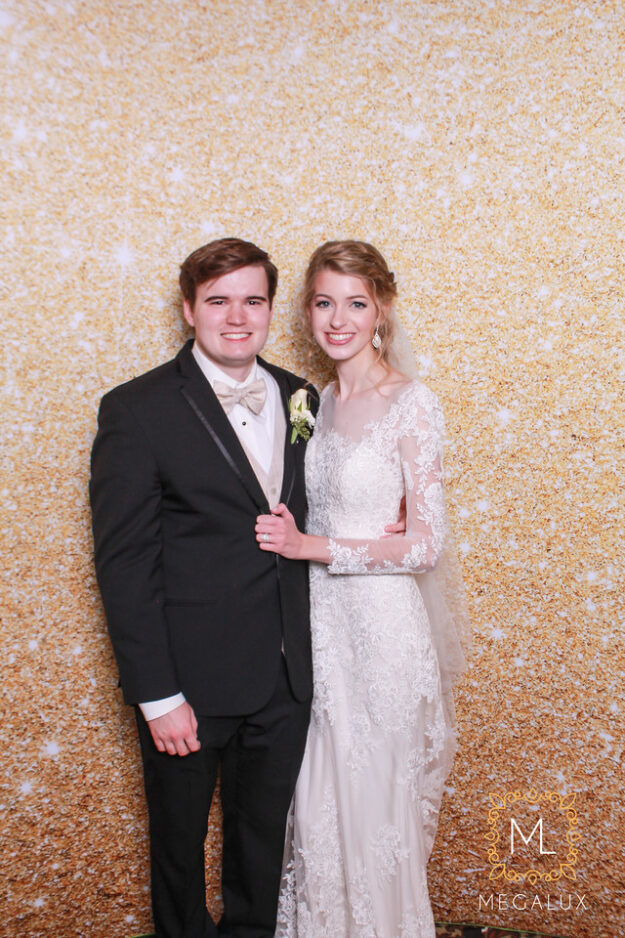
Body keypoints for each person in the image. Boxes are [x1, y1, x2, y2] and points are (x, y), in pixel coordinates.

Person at [89, 238, 318, 938]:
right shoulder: (137, 408)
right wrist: (158, 696)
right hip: (186, 684)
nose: (237, 317)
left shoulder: (301, 396)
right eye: (218, 300)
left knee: (262, 856)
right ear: (189, 309)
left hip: (286, 680)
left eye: (253, 300)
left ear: (270, 310)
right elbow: (123, 563)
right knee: (179, 858)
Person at [255, 240, 469, 938]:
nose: (338, 319)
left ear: (381, 310)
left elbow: (425, 545)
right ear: (307, 311)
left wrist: (309, 545)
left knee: (375, 810)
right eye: (324, 303)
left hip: (382, 637)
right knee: (319, 805)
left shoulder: (411, 403)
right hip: (322, 634)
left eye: (355, 303)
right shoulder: (311, 403)